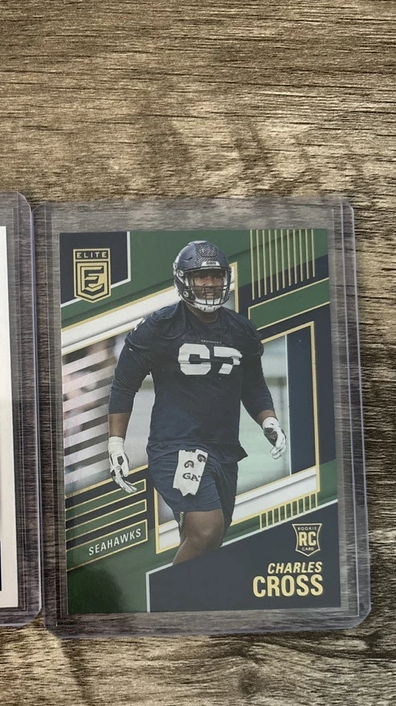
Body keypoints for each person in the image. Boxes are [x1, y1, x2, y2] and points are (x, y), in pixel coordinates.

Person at [107, 240, 286, 565]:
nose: (210, 283)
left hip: (224, 449)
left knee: (206, 541)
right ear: (183, 280)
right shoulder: (160, 326)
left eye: (216, 276)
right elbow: (124, 384)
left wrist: (268, 419)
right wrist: (116, 443)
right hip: (175, 447)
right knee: (206, 530)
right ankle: (165, 592)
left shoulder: (241, 329)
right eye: (201, 276)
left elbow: (253, 384)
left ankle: (184, 594)